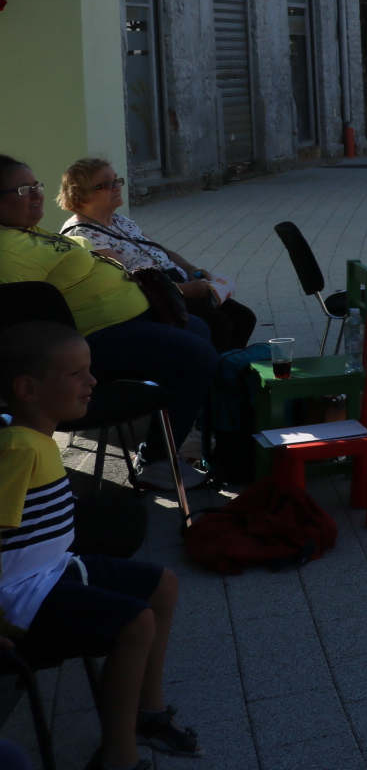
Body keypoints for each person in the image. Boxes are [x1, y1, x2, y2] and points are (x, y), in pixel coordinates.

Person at [0, 321, 200, 770]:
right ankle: (118, 760)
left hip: (50, 569)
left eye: (90, 370)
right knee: (136, 622)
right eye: (76, 373)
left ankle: (146, 715)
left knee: (162, 585)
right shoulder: (19, 449)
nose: (93, 382)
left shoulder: (29, 435)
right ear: (28, 388)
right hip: (17, 593)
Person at [0, 157, 213, 490]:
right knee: (197, 355)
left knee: (199, 329)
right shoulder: (7, 251)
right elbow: (18, 320)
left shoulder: (28, 232)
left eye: (37, 186)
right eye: (24, 189)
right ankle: (157, 460)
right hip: (95, 338)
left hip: (129, 320)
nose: (36, 195)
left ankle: (182, 430)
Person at [56, 159, 256, 354]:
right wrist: (184, 290)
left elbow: (160, 250)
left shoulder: (118, 219)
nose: (117, 187)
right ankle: (215, 377)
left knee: (244, 317)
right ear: (81, 196)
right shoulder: (81, 233)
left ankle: (231, 368)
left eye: (117, 180)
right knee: (218, 324)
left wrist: (191, 269)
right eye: (107, 184)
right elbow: (126, 281)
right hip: (154, 296)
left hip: (173, 284)